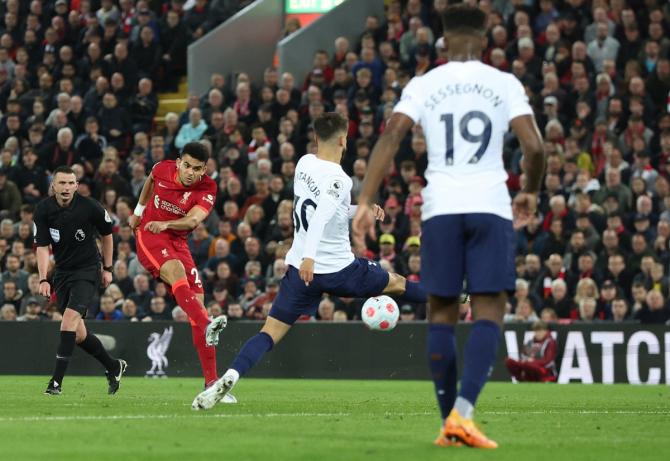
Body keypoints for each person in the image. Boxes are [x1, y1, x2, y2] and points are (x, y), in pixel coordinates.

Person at [351, 5, 545, 449]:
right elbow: (533, 146)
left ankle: (449, 423)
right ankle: (465, 414)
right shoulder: (504, 83)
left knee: (441, 313)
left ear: (444, 38)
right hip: (490, 206)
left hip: (440, 209)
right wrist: (530, 191)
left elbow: (390, 136)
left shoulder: (424, 84)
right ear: (484, 37)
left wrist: (365, 200)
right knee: (489, 309)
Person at [192, 112, 427, 410]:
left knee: (269, 333)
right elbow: (319, 218)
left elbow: (324, 208)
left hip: (299, 273)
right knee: (397, 283)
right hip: (338, 269)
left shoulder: (304, 163)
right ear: (343, 139)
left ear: (317, 138)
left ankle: (229, 377)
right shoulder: (339, 179)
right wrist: (310, 257)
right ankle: (454, 296)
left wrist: (361, 210)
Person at [129, 142, 228, 391]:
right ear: (178, 163)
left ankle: (212, 384)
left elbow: (194, 219)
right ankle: (208, 324)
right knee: (176, 273)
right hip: (149, 234)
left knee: (198, 302)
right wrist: (138, 211)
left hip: (177, 239)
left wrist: (168, 225)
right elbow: (150, 179)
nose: (190, 172)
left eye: (197, 168)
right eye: (187, 165)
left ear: (205, 169)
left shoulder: (208, 187)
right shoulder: (162, 169)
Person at [34, 166, 127, 395]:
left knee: (67, 322)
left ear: (76, 186)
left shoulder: (90, 207)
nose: (66, 188)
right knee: (79, 335)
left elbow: (107, 234)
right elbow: (43, 247)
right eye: (61, 183)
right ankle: (114, 366)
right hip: (63, 273)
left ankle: (55, 383)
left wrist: (107, 268)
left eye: (70, 183)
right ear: (53, 186)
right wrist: (44, 278)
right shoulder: (43, 210)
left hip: (87, 270)